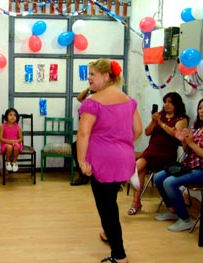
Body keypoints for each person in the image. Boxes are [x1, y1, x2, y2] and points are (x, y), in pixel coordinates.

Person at [77, 59, 142, 263]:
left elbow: (83, 134)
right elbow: (138, 130)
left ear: (106, 76)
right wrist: (120, 145)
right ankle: (108, 233)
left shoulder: (92, 102)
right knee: (110, 200)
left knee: (107, 208)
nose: (89, 78)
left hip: (103, 162)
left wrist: (81, 161)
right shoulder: (128, 100)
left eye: (92, 74)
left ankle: (119, 255)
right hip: (124, 159)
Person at [128, 92, 189, 215]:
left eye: (169, 102)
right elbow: (147, 132)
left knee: (139, 166)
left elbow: (174, 133)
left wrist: (160, 123)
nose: (166, 105)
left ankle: (127, 179)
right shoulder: (159, 115)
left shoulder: (182, 119)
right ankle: (135, 201)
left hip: (167, 153)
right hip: (152, 149)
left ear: (176, 104)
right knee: (139, 167)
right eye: (165, 102)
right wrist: (153, 121)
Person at [154, 98, 203, 232]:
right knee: (158, 177)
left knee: (169, 183)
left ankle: (185, 219)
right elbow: (188, 151)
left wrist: (192, 143)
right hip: (188, 165)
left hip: (200, 170)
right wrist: (184, 142)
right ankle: (173, 210)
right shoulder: (196, 127)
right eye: (199, 108)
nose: (201, 111)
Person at [70, 87, 93, 186]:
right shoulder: (87, 102)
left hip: (94, 135)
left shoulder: (100, 103)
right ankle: (83, 175)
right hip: (85, 134)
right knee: (75, 146)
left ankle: (88, 175)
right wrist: (89, 88)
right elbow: (79, 97)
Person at [0, 108, 23, 172]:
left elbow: (21, 139)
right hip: (5, 144)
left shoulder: (18, 127)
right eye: (10, 115)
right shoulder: (2, 126)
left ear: (17, 117)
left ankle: (14, 162)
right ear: (6, 116)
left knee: (16, 147)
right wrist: (9, 141)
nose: (13, 117)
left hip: (15, 143)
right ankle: (8, 161)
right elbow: (0, 138)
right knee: (9, 147)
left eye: (15, 115)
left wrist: (15, 141)